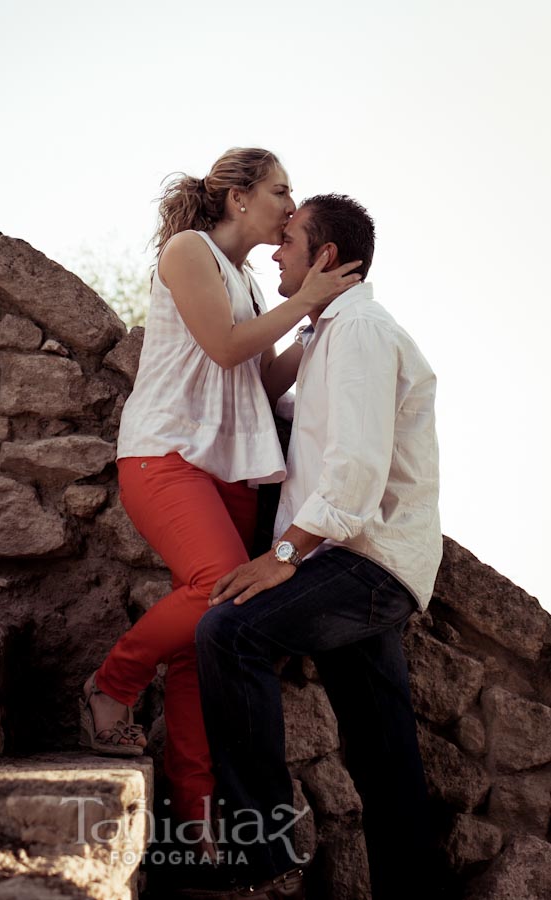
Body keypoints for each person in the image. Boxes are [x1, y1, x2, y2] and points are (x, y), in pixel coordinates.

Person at [79, 151, 362, 841]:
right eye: (279, 190)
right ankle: (108, 687)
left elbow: (256, 385)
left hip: (230, 469)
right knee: (215, 585)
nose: (289, 205)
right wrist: (303, 303)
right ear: (238, 198)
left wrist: (317, 323)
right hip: (165, 454)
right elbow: (225, 348)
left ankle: (195, 812)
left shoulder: (248, 283)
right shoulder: (187, 251)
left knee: (206, 632)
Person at [195, 194, 442, 900]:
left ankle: (259, 850)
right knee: (383, 751)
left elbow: (355, 471)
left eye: (291, 241)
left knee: (227, 630)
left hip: (361, 562)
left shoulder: (359, 330)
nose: (276, 250)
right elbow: (287, 418)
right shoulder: (331, 334)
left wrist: (280, 559)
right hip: (365, 560)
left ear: (325, 258)